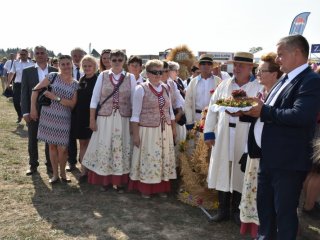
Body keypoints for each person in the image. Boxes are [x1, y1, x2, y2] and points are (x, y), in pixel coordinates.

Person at [244, 35, 320, 239]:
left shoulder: (311, 80)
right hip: (269, 157)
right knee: (265, 211)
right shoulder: (285, 79)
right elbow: (269, 111)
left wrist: (264, 111)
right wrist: (247, 110)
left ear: (297, 53)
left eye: (280, 55)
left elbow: (301, 115)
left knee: (284, 215)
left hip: (288, 162)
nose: (277, 60)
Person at [204, 52, 261, 225]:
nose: (236, 69)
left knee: (239, 172)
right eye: (235, 65)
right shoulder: (225, 84)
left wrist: (242, 109)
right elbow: (213, 107)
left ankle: (236, 211)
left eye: (241, 66)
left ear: (251, 67)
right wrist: (209, 132)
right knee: (223, 169)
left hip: (245, 134)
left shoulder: (257, 87)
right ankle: (223, 210)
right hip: (223, 134)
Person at [238, 52, 282, 238]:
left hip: (269, 154)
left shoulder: (279, 94)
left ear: (274, 74)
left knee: (265, 196)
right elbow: (258, 121)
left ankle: (264, 230)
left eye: (262, 71)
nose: (258, 74)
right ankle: (259, 230)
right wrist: (242, 112)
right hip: (256, 151)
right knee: (255, 193)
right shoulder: (261, 93)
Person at [82, 49, 136, 192]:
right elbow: (94, 99)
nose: (117, 63)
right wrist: (92, 120)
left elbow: (134, 103)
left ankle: (119, 181)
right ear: (109, 61)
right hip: (104, 118)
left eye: (120, 60)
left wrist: (133, 124)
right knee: (105, 146)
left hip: (123, 119)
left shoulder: (130, 77)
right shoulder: (103, 76)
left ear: (124, 61)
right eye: (114, 60)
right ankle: (104, 179)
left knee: (120, 147)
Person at [129, 59, 177, 198]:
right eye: (154, 72)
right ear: (147, 73)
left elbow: (170, 111)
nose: (158, 75)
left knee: (162, 158)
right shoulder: (140, 88)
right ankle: (146, 188)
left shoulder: (166, 87)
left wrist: (173, 129)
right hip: (148, 130)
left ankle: (161, 187)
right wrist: (136, 135)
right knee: (149, 158)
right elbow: (135, 115)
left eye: (160, 72)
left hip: (165, 129)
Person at [30, 55, 78, 183]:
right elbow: (35, 90)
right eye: (63, 64)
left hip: (64, 118)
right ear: (59, 65)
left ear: (72, 64)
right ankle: (55, 175)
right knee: (52, 147)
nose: (66, 66)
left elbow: (72, 104)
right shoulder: (52, 76)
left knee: (63, 149)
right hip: (48, 116)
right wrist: (33, 109)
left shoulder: (75, 84)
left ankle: (63, 173)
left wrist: (55, 97)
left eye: (68, 63)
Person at [21, 45, 58, 176]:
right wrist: (25, 112)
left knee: (50, 140)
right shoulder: (27, 71)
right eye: (37, 53)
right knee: (32, 139)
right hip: (33, 110)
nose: (40, 55)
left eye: (42, 53)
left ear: (47, 54)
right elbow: (24, 92)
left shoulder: (55, 70)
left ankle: (50, 165)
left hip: (51, 110)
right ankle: (33, 165)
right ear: (34, 55)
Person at [74, 55, 98, 183]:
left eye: (90, 66)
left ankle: (92, 171)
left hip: (93, 116)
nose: (87, 68)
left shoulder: (98, 80)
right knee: (82, 144)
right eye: (85, 66)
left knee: (92, 144)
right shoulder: (81, 79)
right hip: (80, 116)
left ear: (94, 67)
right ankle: (83, 171)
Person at [185, 54, 221, 130]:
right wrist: (189, 121)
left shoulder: (218, 81)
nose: (206, 66)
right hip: (196, 118)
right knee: (197, 142)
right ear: (199, 66)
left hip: (213, 118)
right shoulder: (193, 82)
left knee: (212, 141)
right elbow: (188, 103)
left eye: (209, 64)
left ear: (212, 67)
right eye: (203, 64)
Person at [67, 47, 85, 172]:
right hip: (69, 106)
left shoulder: (90, 69)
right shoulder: (67, 70)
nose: (77, 58)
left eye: (80, 56)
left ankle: (83, 161)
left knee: (84, 137)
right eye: (75, 56)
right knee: (70, 135)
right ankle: (71, 161)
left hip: (84, 108)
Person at [8, 49, 34, 123]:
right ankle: (20, 115)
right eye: (21, 54)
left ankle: (27, 116)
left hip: (28, 85)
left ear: (27, 55)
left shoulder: (32, 63)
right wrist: (8, 83)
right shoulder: (16, 63)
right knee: (16, 101)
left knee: (27, 101)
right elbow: (11, 73)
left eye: (24, 54)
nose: (22, 56)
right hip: (17, 84)